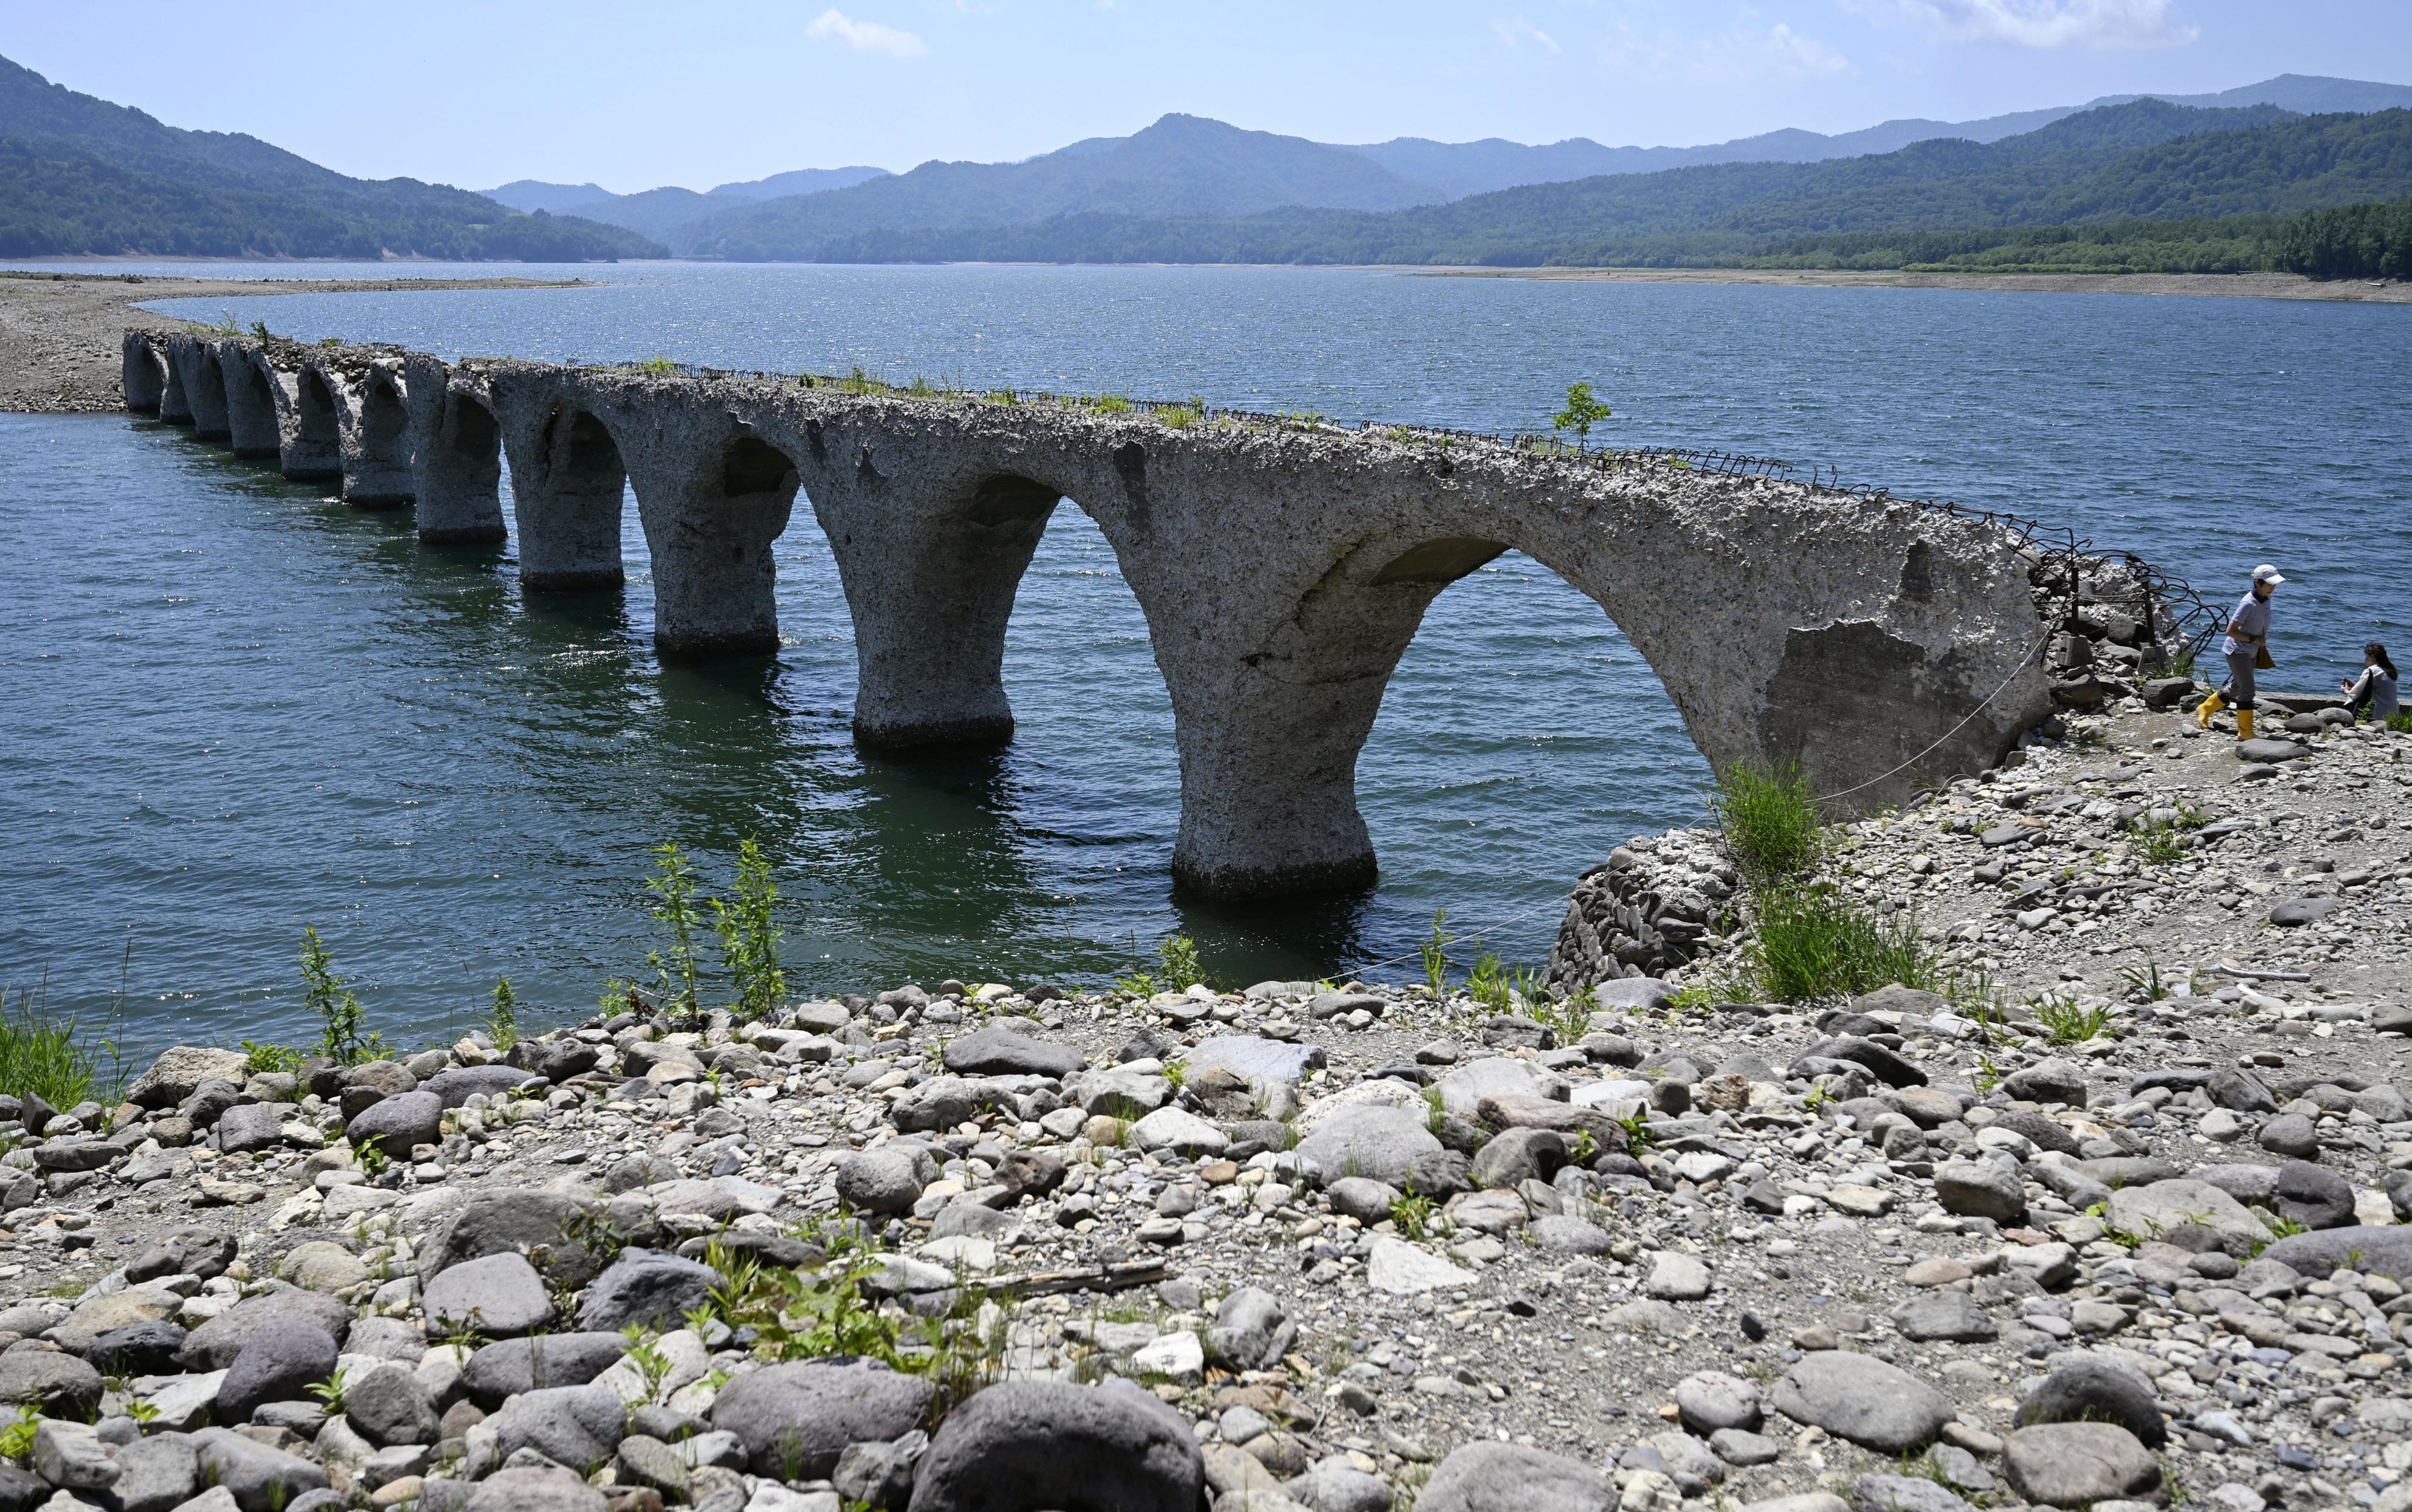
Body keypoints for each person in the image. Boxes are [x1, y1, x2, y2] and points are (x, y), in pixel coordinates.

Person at [2197, 563, 2283, 739]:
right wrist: (2254, 640)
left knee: (2238, 686)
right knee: (2248, 690)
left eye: (2275, 584)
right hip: (2238, 651)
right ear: (2257, 582)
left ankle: (2205, 708)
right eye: (2270, 585)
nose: (2273, 588)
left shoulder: (2265, 599)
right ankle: (2245, 732)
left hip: (2251, 651)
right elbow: (2230, 631)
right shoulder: (2248, 604)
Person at [2343, 642, 2399, 721]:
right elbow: (2379, 691)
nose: (2365, 658)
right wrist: (2354, 686)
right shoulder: (2388, 671)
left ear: (2372, 657)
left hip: (2378, 715)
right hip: (2393, 714)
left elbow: (2354, 694)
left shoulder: (2372, 671)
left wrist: (2345, 691)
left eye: (2366, 655)